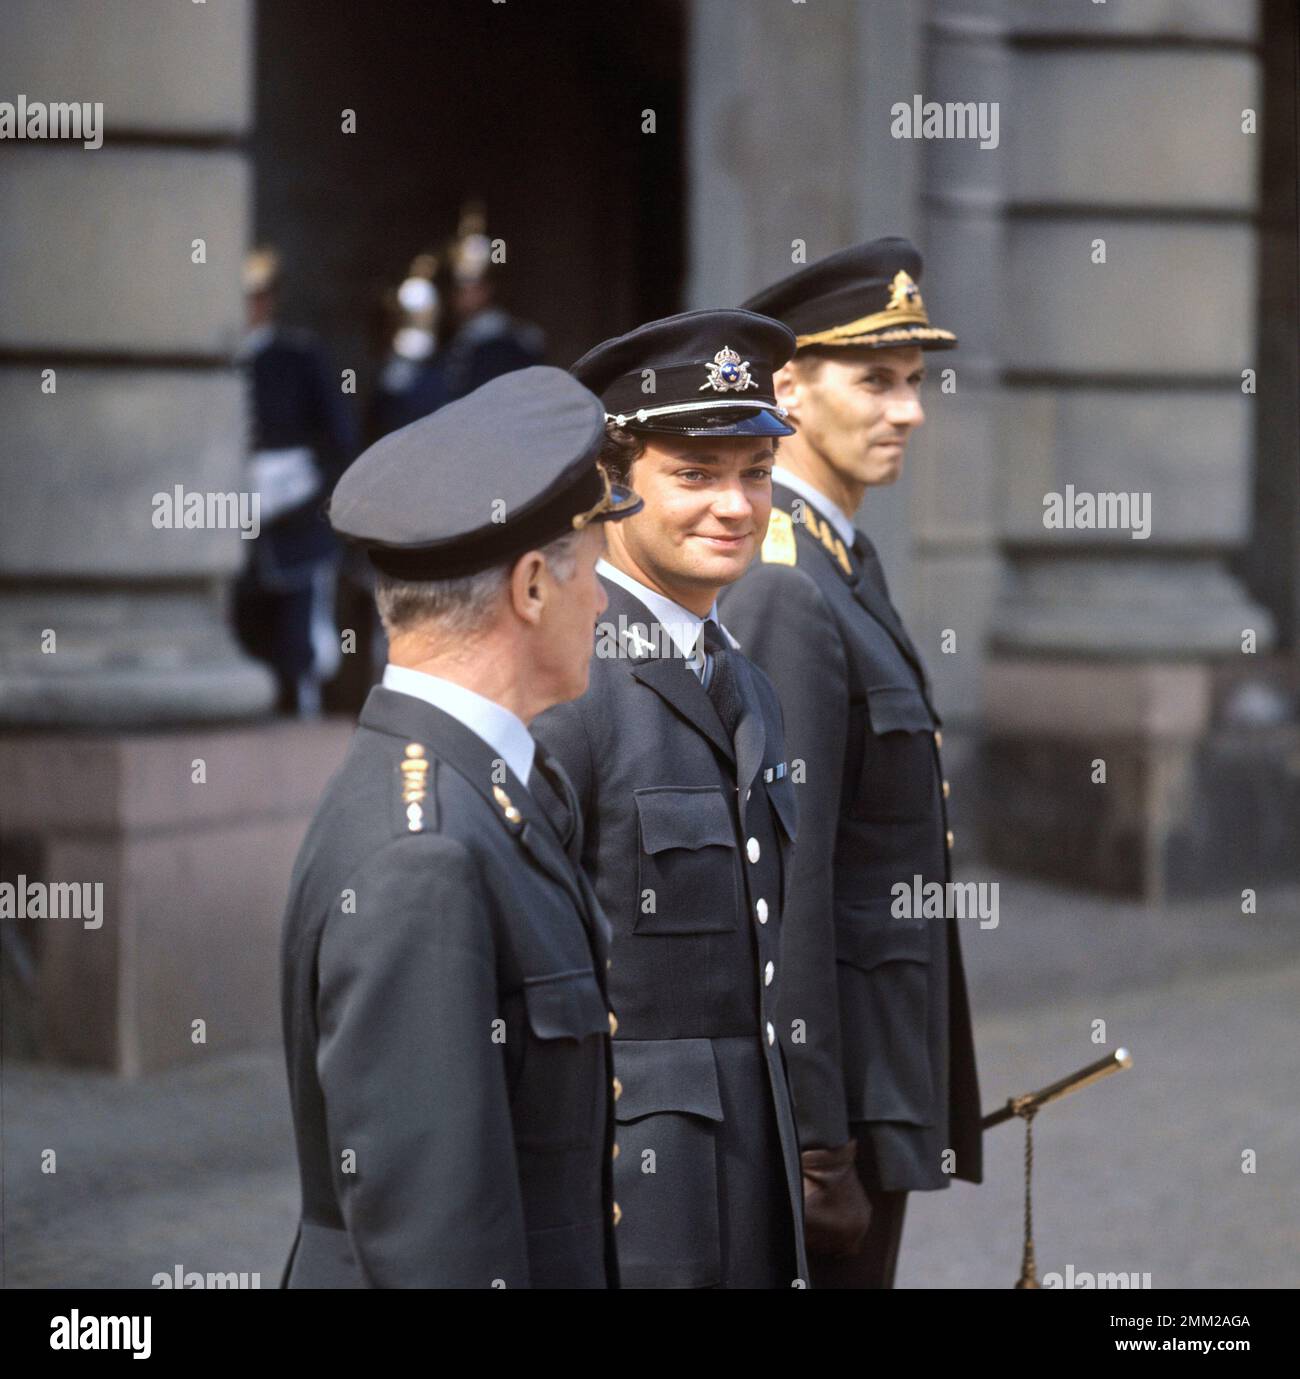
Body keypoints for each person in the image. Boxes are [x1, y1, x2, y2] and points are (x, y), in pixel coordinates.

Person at [279, 366, 642, 1288]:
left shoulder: (491, 784)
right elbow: (438, 1246)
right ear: (530, 588)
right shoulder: (428, 852)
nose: (601, 603)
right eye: (595, 571)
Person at [719, 237, 983, 1288]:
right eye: (874, 379)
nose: (908, 409)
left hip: (878, 1067)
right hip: (837, 1096)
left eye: (914, 382)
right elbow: (786, 880)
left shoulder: (841, 557)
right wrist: (815, 1134)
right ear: (787, 388)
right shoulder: (785, 582)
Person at [531, 310, 808, 1288]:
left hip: (746, 1176)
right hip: (630, 1200)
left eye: (754, 473)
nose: (735, 504)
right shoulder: (569, 690)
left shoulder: (744, 678)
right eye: (694, 473)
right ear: (614, 483)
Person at [236, 247, 359, 715]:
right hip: (237, 529)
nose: (252, 307)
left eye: (259, 296)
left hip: (296, 530)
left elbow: (337, 443)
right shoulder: (221, 356)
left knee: (299, 652)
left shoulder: (299, 355)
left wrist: (302, 494)